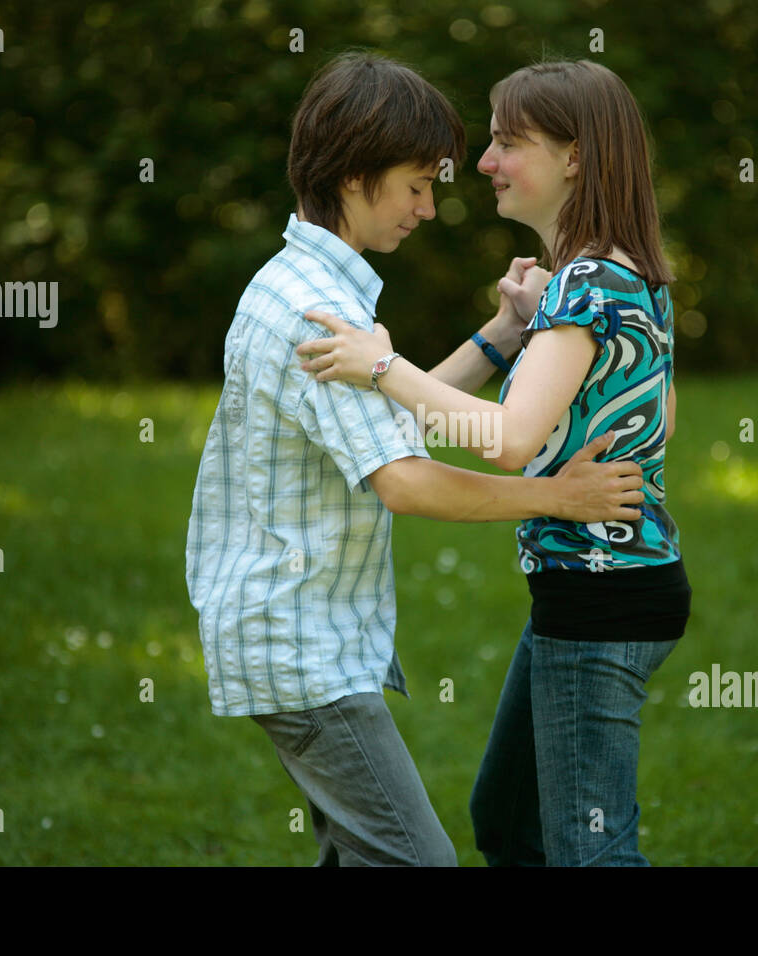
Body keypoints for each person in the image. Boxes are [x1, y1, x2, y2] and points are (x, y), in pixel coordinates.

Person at [184, 52, 646, 868]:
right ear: (357, 175)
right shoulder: (312, 311)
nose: (431, 209)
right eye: (416, 185)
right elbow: (403, 479)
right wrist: (558, 497)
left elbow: (382, 419)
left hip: (305, 633)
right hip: (300, 650)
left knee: (364, 856)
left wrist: (497, 341)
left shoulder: (310, 286)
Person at [296, 59, 691, 866]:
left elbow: (507, 441)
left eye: (509, 142)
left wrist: (383, 363)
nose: (482, 162)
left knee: (590, 853)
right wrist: (510, 334)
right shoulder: (622, 272)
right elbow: (661, 417)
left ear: (574, 158)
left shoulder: (585, 284)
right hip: (601, 589)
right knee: (508, 824)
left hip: (600, 596)